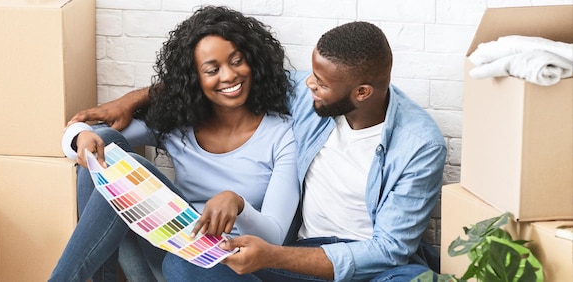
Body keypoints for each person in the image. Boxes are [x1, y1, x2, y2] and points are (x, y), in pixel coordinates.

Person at [70, 21, 447, 282]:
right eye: (311, 75)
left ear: (361, 93)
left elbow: (389, 250)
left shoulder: (419, 145)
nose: (306, 84)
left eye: (320, 83)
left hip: (371, 266)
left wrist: (272, 254)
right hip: (304, 256)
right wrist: (134, 98)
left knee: (417, 279)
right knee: (186, 268)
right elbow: (218, 82)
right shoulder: (313, 95)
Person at [49, 6, 300, 282]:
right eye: (212, 69)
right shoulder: (179, 124)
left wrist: (238, 205)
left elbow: (275, 237)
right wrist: (80, 137)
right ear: (195, 79)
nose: (229, 76)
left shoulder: (280, 134)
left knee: (184, 265)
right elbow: (84, 132)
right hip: (168, 248)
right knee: (105, 144)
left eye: (237, 61)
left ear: (253, 61)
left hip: (227, 264)